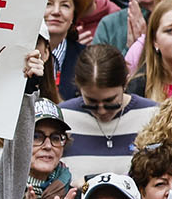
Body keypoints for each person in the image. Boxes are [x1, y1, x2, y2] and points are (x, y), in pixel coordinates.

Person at [58, 46, 159, 182]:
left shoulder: (153, 115)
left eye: (110, 101)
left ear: (126, 82)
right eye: (91, 101)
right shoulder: (61, 117)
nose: (102, 111)